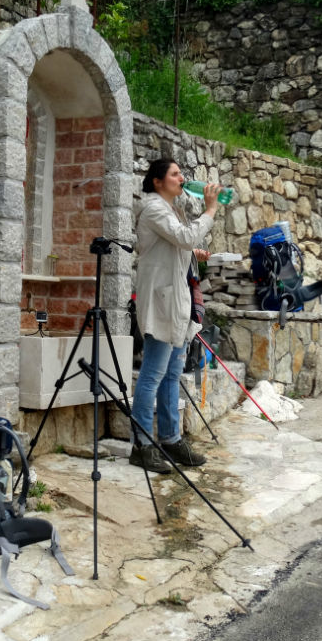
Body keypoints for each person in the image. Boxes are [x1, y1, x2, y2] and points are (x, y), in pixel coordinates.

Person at [130, 158, 222, 473]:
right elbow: (183, 237)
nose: (182, 178)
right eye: (174, 173)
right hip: (162, 304)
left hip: (178, 303)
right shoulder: (153, 207)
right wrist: (210, 210)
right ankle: (141, 445)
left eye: (181, 172)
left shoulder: (171, 210)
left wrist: (191, 253)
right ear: (157, 181)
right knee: (152, 375)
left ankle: (170, 439)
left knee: (172, 375)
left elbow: (176, 244)